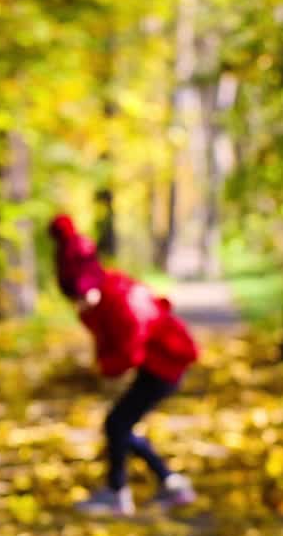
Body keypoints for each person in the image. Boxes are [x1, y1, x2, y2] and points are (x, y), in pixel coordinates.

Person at [49, 213, 199, 516]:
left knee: (117, 424)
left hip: (166, 365)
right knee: (119, 425)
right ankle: (168, 483)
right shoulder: (97, 301)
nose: (80, 306)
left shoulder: (123, 298)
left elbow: (130, 346)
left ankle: (124, 491)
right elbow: (106, 340)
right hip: (155, 365)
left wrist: (108, 369)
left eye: (82, 297)